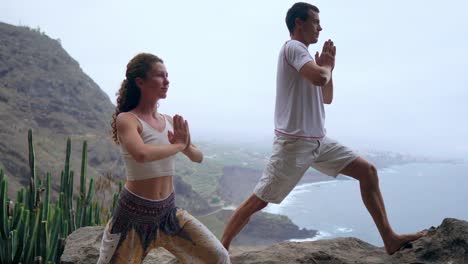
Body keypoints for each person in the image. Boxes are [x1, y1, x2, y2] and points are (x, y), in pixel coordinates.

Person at [220, 2, 425, 255]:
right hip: (294, 144)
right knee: (258, 200)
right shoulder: (294, 47)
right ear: (299, 23)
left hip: (318, 141)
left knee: (368, 171)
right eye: (315, 22)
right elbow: (319, 77)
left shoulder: (305, 57)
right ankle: (221, 249)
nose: (320, 27)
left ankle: (389, 238)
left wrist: (330, 69)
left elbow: (326, 95)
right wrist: (324, 68)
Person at [98, 53, 230, 264]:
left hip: (168, 212)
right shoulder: (127, 120)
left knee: (218, 257)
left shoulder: (169, 121)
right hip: (133, 216)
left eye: (167, 75)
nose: (167, 81)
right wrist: (178, 145)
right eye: (160, 76)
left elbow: (198, 157)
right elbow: (141, 154)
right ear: (140, 82)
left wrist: (185, 145)